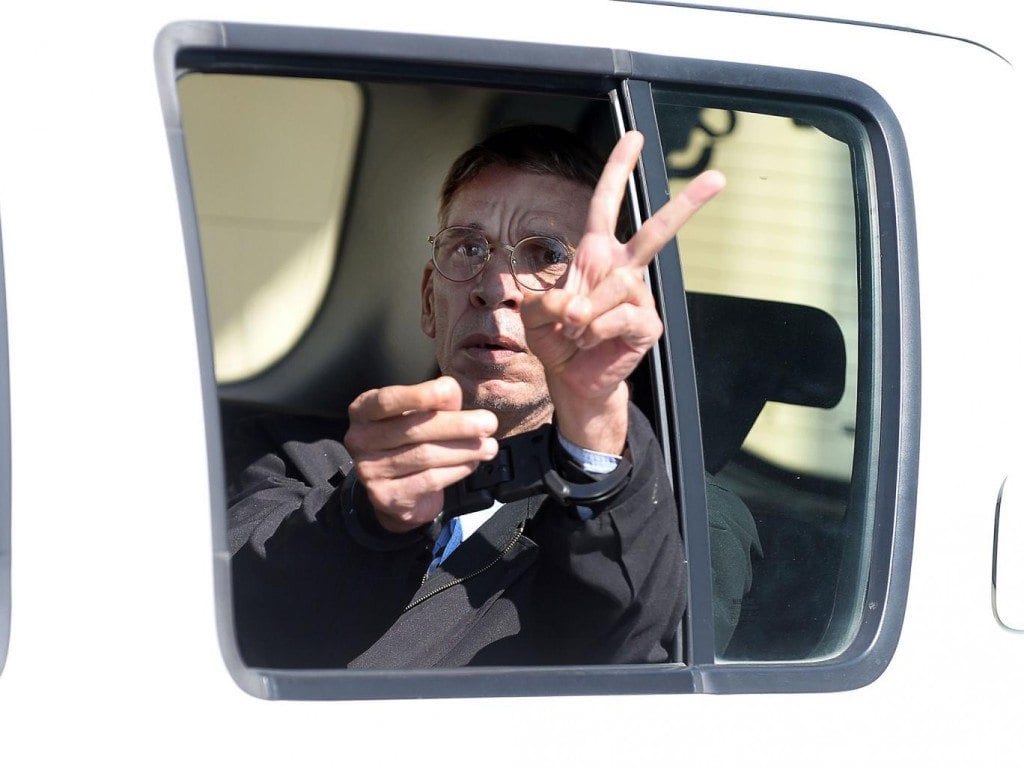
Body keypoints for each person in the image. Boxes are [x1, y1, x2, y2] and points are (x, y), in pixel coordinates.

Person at [227, 124, 734, 668]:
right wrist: (364, 519)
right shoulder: (288, 456)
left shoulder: (691, 520)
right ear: (428, 301)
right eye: (469, 247)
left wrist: (594, 431)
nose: (496, 285)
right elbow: (228, 620)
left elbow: (623, 659)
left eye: (545, 255)